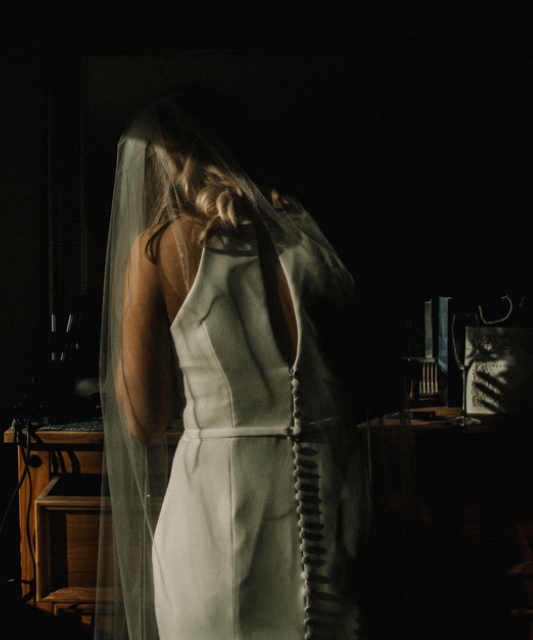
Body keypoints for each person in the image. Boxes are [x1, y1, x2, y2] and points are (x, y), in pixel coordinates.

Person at [95, 93, 370, 640]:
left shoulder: (159, 250)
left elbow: (145, 423)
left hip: (218, 521)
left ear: (169, 163)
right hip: (333, 510)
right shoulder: (310, 238)